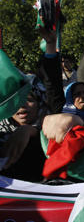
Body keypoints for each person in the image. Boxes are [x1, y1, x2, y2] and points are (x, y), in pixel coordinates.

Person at [0, 50, 48, 182]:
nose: (22, 105)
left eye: (29, 100)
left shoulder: (52, 134)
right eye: (15, 102)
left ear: (39, 104)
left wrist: (30, 131)